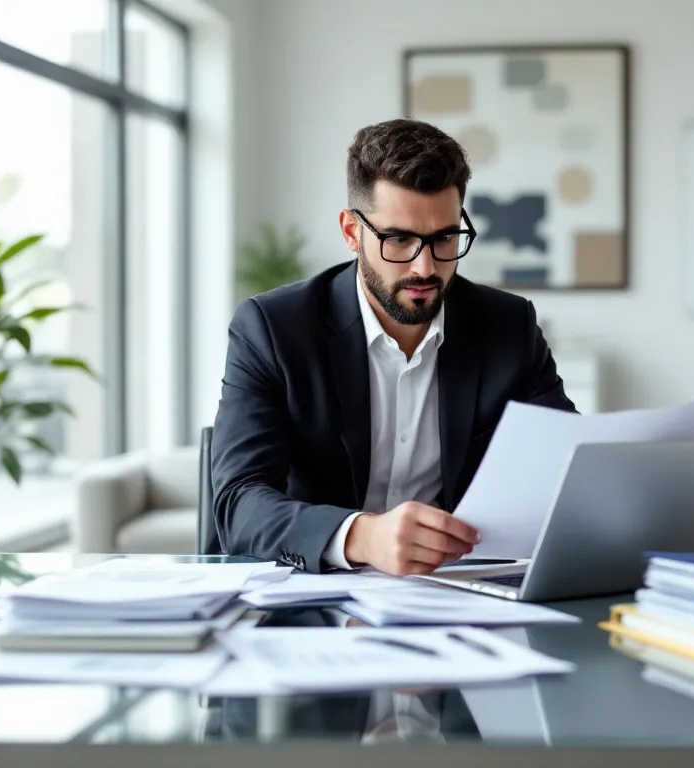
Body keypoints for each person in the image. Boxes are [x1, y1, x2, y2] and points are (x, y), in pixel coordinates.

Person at [210, 117, 576, 576]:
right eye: (399, 239)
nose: (425, 267)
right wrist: (361, 536)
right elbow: (238, 502)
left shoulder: (507, 326)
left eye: (444, 238)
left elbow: (568, 467)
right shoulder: (274, 329)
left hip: (461, 592)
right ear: (351, 232)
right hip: (312, 600)